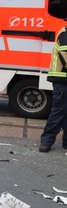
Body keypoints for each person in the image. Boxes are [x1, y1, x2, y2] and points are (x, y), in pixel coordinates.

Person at [39, 22, 67, 153]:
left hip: (62, 78)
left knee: (61, 111)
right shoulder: (65, 33)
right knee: (59, 111)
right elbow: (65, 54)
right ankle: (46, 141)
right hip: (62, 79)